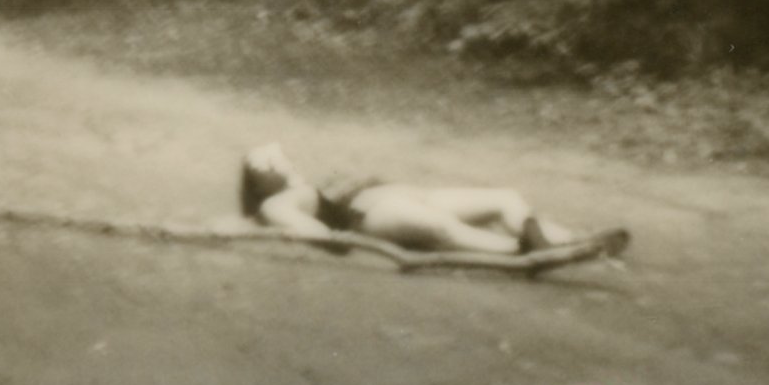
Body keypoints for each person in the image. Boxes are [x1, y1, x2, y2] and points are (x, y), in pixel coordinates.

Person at [237, 143, 581, 258]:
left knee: (504, 198)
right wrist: (313, 232)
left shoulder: (307, 183)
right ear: (259, 173)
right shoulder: (276, 203)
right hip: (370, 213)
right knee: (441, 226)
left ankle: (553, 239)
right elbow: (323, 236)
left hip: (407, 195)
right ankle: (519, 252)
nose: (280, 155)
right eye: (267, 157)